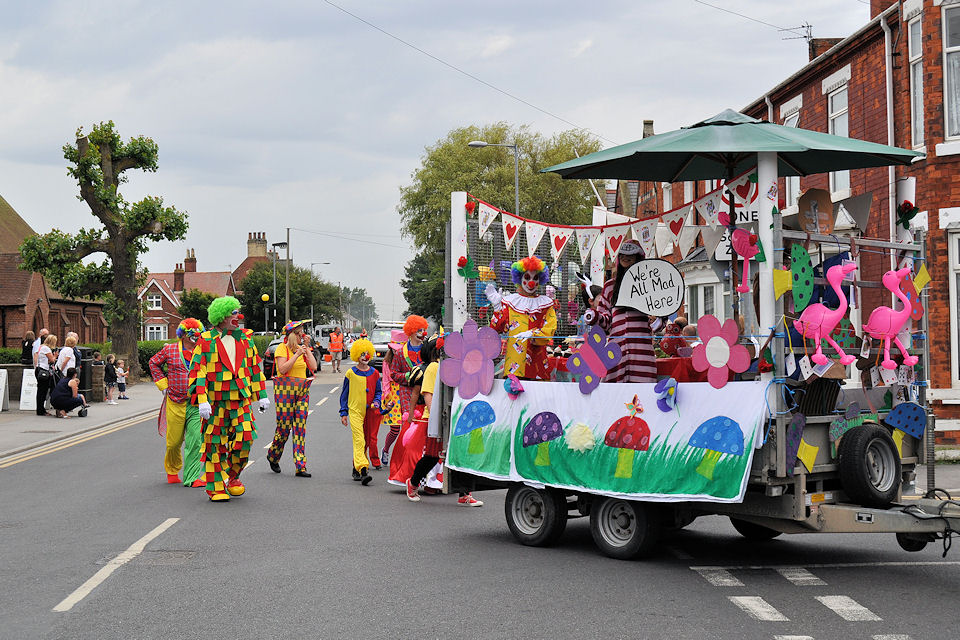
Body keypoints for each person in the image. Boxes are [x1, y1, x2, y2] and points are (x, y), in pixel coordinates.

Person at [190, 296, 269, 502]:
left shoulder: (246, 338)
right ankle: (216, 487)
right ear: (222, 317)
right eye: (234, 313)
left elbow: (254, 368)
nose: (238, 316)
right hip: (215, 402)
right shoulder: (206, 340)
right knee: (214, 445)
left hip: (240, 399)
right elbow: (198, 371)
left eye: (237, 312)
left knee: (245, 438)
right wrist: (202, 399)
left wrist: (262, 395)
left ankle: (232, 477)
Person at [402, 335, 482, 506]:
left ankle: (464, 493)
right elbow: (427, 393)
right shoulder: (433, 367)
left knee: (460, 454)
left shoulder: (458, 367)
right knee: (432, 456)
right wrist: (436, 417)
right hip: (437, 420)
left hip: (455, 417)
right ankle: (413, 483)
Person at [584, 240, 657, 383]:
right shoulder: (610, 287)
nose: (625, 257)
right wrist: (594, 316)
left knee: (642, 397)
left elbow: (658, 322)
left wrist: (658, 319)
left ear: (639, 258)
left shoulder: (650, 285)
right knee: (613, 396)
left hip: (642, 352)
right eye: (622, 254)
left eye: (631, 255)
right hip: (615, 352)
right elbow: (606, 323)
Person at [149, 318, 206, 487]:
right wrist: (163, 384)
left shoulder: (203, 351)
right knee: (174, 442)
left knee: (195, 441)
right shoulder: (170, 350)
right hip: (175, 401)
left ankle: (192, 477)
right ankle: (173, 470)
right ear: (184, 335)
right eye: (192, 334)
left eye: (198, 333)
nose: (196, 336)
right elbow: (153, 363)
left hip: (197, 402)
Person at [486, 256, 557, 380]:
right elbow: (496, 329)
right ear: (520, 278)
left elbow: (549, 330)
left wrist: (533, 333)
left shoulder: (546, 305)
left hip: (537, 364)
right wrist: (497, 307)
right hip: (515, 364)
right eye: (527, 277)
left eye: (535, 278)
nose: (531, 283)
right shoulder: (511, 302)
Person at [267, 320, 317, 478]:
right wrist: (296, 354)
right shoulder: (282, 349)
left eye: (301, 332)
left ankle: (300, 466)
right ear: (289, 336)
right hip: (285, 392)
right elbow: (282, 369)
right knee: (284, 429)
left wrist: (307, 350)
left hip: (302, 391)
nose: (301, 335)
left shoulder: (303, 349)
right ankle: (273, 455)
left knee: (300, 428)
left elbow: (314, 367)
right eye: (297, 332)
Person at [338, 338, 388, 485]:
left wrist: (377, 401)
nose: (365, 357)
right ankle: (363, 469)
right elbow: (344, 395)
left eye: (367, 354)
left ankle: (355, 468)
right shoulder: (350, 373)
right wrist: (343, 413)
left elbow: (378, 392)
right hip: (355, 411)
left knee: (366, 440)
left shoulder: (374, 373)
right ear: (356, 355)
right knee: (359, 440)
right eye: (362, 354)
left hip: (370, 412)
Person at [382, 315, 428, 464]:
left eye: (424, 330)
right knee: (408, 428)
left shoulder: (426, 350)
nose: (423, 333)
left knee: (424, 428)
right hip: (407, 395)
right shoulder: (401, 353)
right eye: (420, 330)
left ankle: (420, 461)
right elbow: (393, 374)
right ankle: (405, 463)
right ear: (412, 331)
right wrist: (408, 377)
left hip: (425, 393)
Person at [379, 330, 405, 465]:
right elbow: (385, 382)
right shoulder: (386, 362)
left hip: (406, 394)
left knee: (406, 429)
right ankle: (386, 449)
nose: (396, 352)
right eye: (394, 349)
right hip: (393, 396)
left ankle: (401, 456)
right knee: (395, 430)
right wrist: (386, 398)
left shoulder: (406, 360)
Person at [35, 334, 57, 416]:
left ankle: (40, 409)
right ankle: (41, 411)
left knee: (41, 391)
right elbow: (52, 360)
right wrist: (55, 356)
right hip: (44, 371)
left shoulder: (41, 347)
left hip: (40, 369)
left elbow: (46, 360)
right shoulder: (46, 348)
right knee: (42, 391)